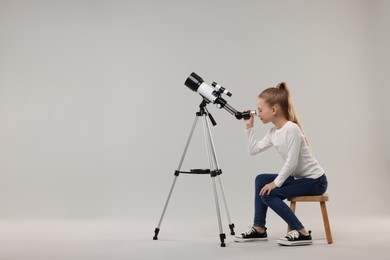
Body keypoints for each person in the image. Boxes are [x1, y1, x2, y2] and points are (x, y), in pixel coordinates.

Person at [234, 82, 328, 246]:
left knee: (267, 194)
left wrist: (275, 183)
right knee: (260, 179)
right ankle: (259, 229)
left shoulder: (291, 129)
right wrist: (249, 127)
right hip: (299, 179)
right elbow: (253, 150)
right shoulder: (273, 132)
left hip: (315, 181)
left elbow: (291, 163)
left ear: (274, 110)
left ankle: (302, 232)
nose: (258, 113)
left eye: (260, 110)